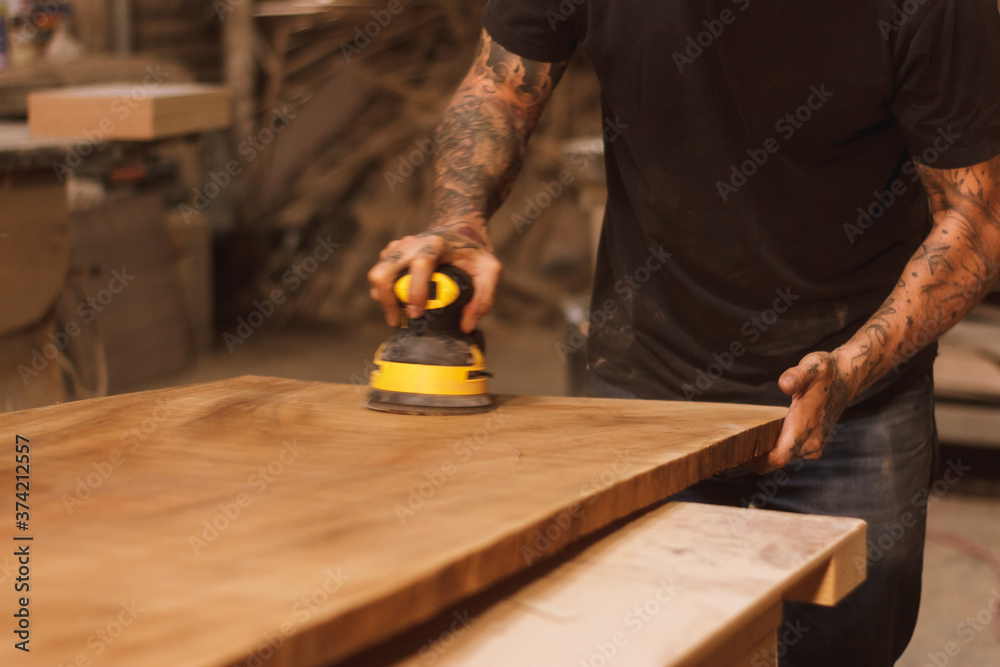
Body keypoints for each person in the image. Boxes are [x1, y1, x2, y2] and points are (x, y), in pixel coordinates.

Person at [367, 2, 1000, 664]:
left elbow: (975, 217)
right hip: (648, 384)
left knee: (843, 649)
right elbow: (500, 83)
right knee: (631, 640)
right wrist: (458, 218)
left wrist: (851, 370)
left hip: (857, 397)